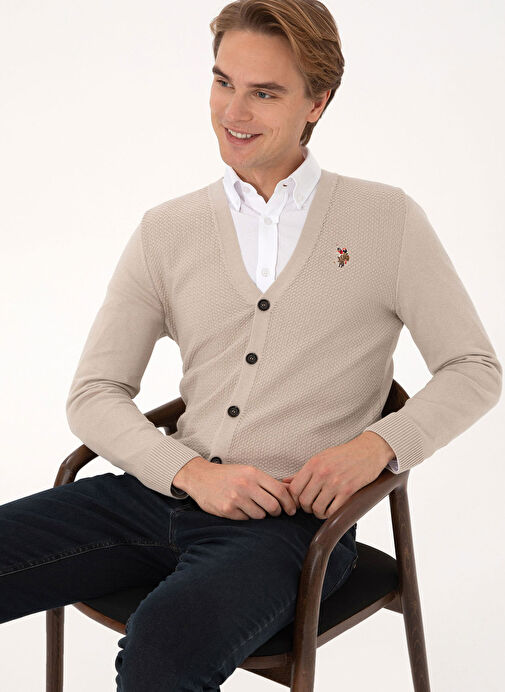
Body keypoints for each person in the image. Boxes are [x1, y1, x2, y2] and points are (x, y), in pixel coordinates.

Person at [1, 1, 501, 690]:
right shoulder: (167, 230)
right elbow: (94, 394)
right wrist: (189, 472)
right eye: (222, 82)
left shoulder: (386, 221)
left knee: (165, 648)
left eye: (264, 93)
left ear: (316, 102)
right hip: (158, 496)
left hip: (291, 528)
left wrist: (375, 446)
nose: (233, 111)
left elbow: (473, 368)